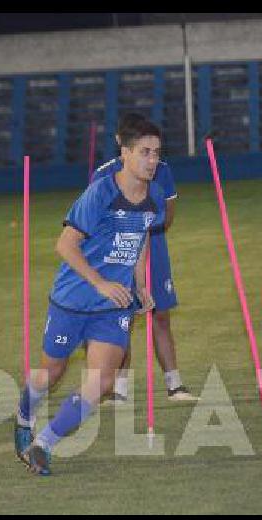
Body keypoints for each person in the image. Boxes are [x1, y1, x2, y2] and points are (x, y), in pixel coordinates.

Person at [14, 119, 164, 476]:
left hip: (113, 306)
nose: (152, 160)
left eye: (157, 153)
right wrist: (98, 281)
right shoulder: (100, 193)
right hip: (73, 299)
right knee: (50, 372)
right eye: (144, 152)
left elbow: (138, 242)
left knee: (104, 381)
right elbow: (65, 244)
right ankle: (23, 418)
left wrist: (141, 285)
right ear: (125, 153)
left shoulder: (153, 196)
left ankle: (43, 444)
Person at [95, 113, 198, 403]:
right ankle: (119, 387)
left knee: (160, 315)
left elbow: (166, 218)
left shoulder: (162, 171)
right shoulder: (103, 174)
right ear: (122, 144)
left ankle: (174, 385)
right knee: (121, 318)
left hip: (153, 247)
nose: (151, 158)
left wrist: (143, 230)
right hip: (116, 255)